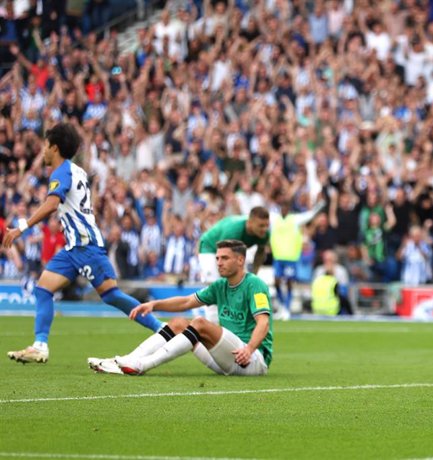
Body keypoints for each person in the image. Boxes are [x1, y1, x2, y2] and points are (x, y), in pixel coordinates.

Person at [3, 122, 163, 364]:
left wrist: (21, 228)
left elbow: (52, 204)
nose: (43, 151)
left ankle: (162, 329)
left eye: (45, 146)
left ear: (54, 148)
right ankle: (40, 345)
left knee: (111, 295)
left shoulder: (62, 172)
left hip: (86, 246)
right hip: (73, 248)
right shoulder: (76, 170)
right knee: (43, 289)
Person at [88, 239, 273, 376]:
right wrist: (154, 304)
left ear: (240, 260)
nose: (218, 263)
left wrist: (248, 349)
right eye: (217, 258)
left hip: (252, 360)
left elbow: (263, 323)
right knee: (178, 324)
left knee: (200, 323)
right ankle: (124, 362)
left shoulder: (254, 285)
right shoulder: (220, 286)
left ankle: (142, 365)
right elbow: (186, 302)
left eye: (225, 258)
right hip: (225, 358)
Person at [196, 206, 270, 322]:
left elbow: (260, 253)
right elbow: (222, 254)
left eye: (266, 225)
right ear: (250, 223)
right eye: (261, 226)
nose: (264, 229)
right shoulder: (233, 231)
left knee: (240, 285)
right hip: (209, 249)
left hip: (233, 253)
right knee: (215, 289)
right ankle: (211, 329)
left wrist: (254, 274)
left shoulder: (264, 235)